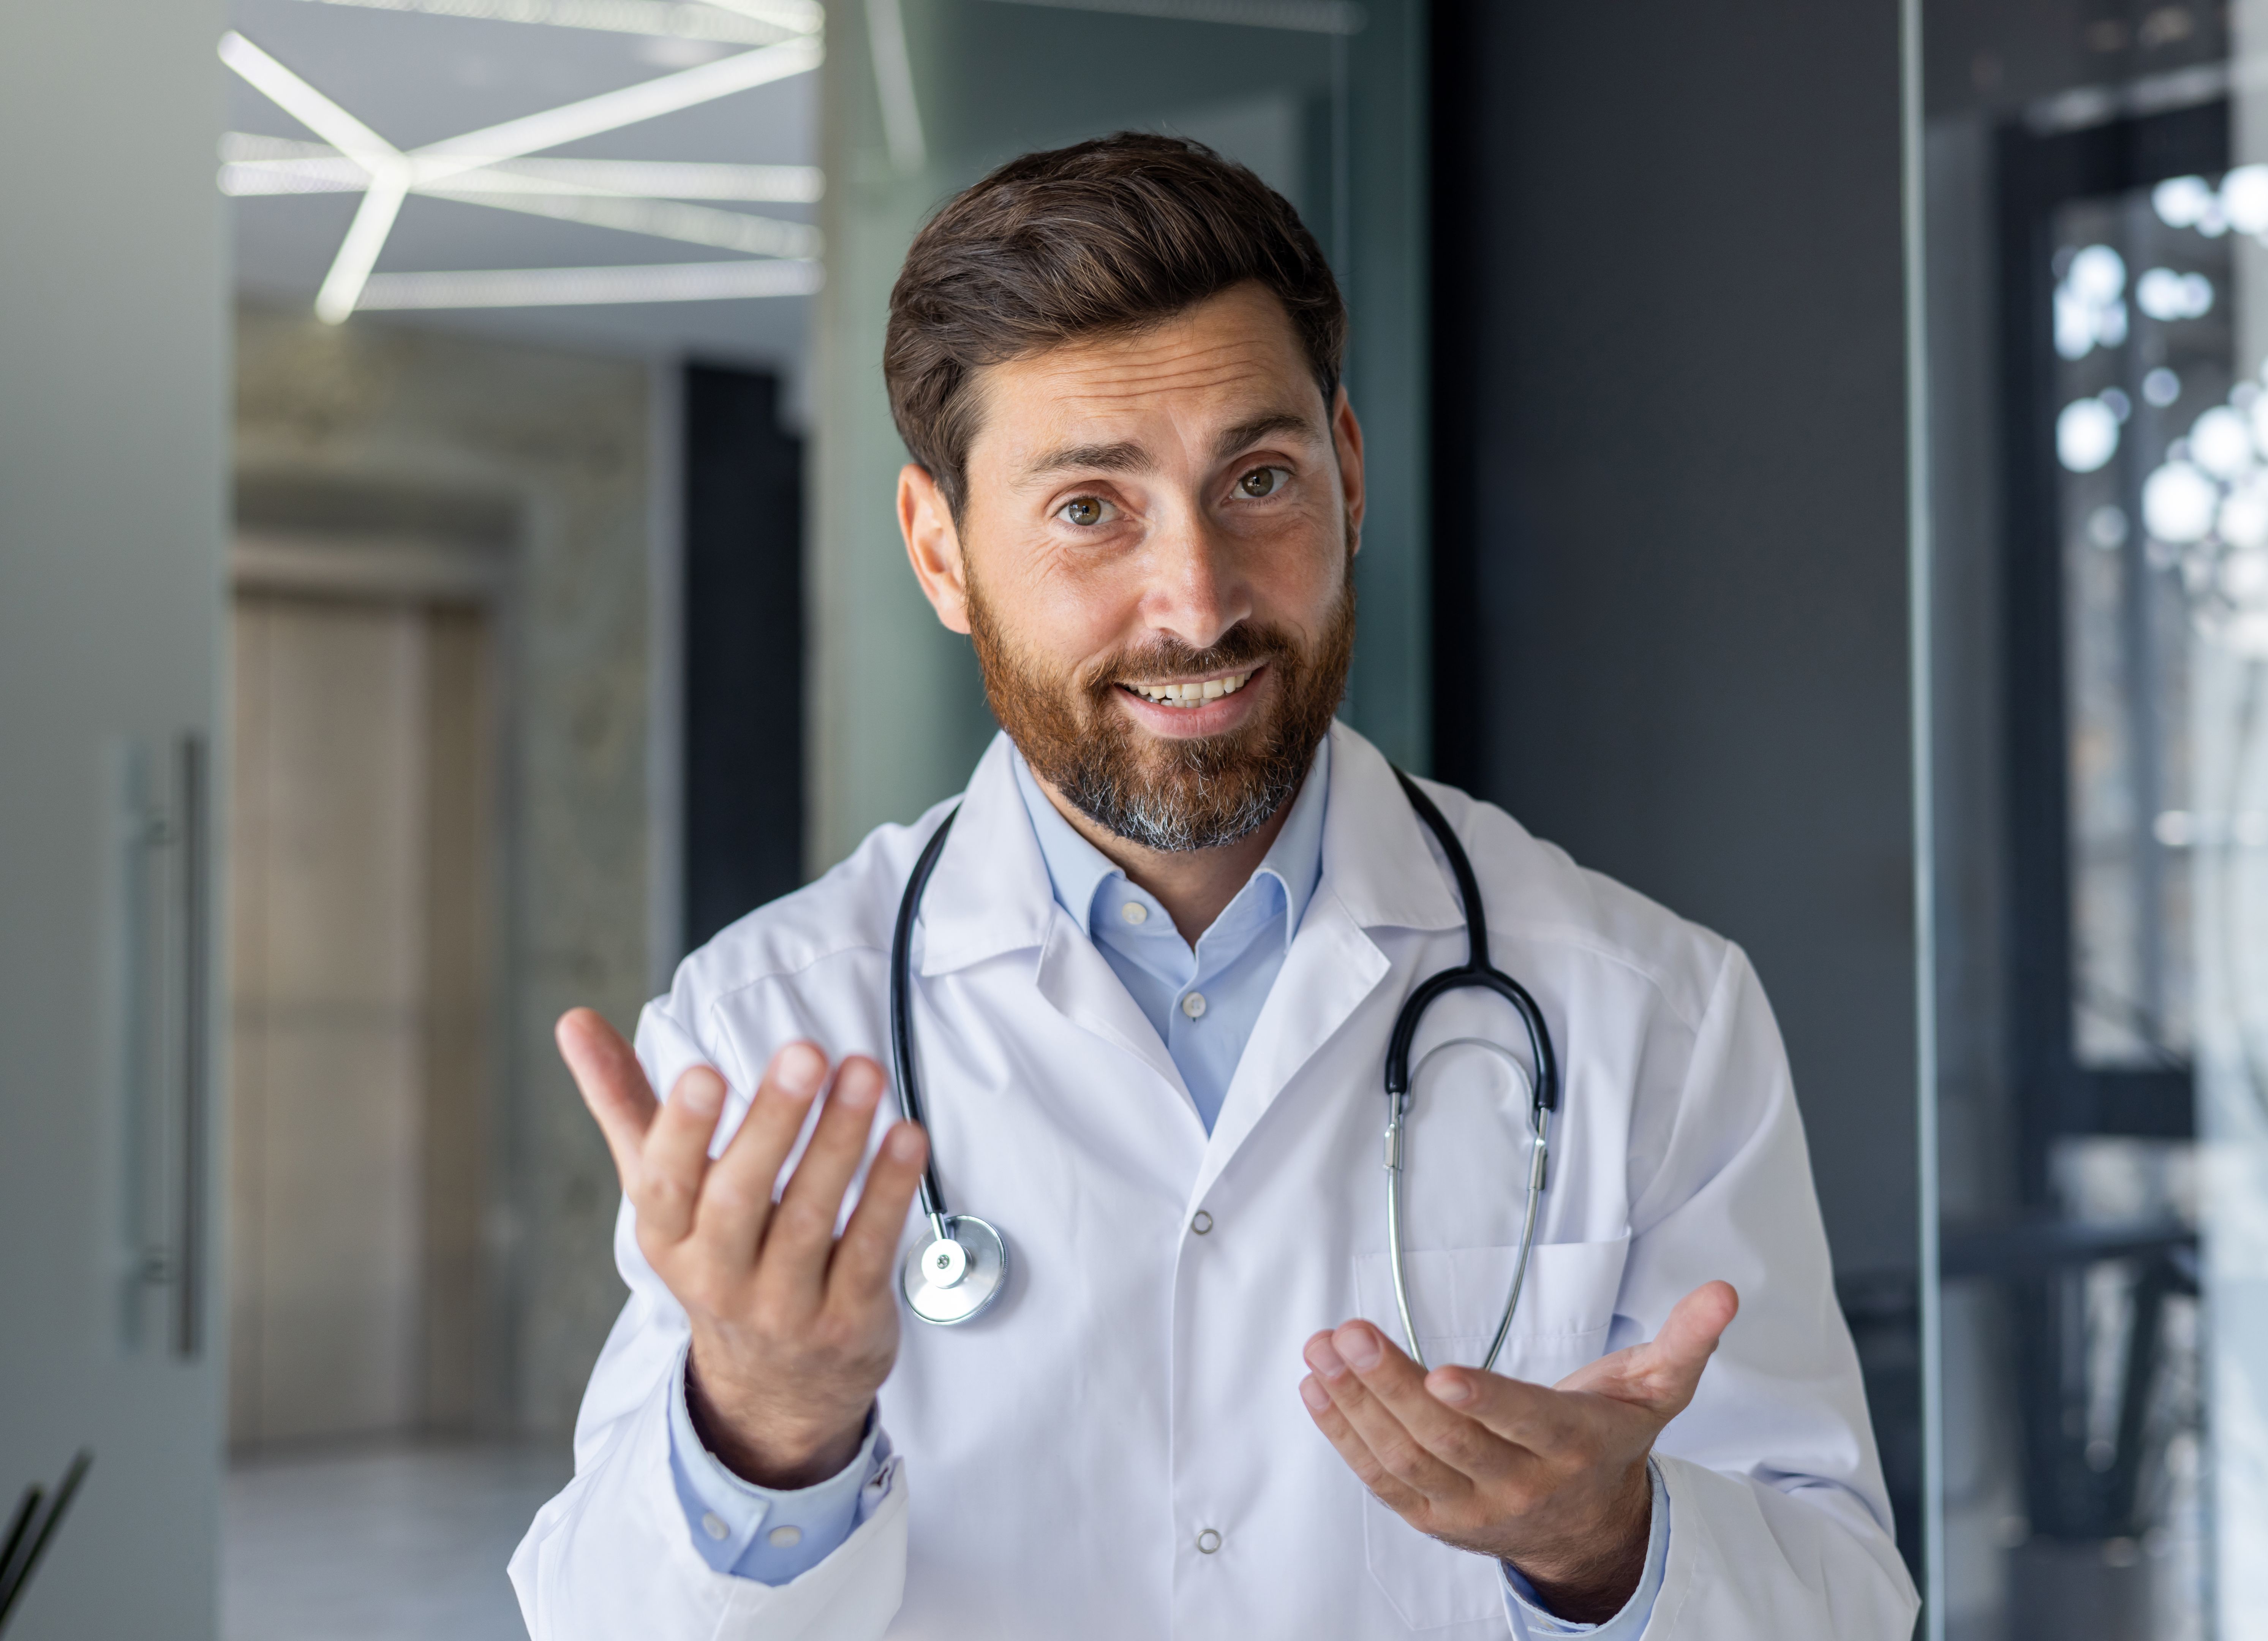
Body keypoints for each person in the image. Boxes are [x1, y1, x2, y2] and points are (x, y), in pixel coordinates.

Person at [511, 133, 1917, 1640]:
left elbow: (1845, 1600)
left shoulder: (1653, 1009)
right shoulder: (763, 1036)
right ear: (939, 551)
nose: (1197, 600)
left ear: (1351, 474)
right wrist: (765, 1437)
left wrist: (1609, 1550)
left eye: (1257, 478)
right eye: (1089, 509)